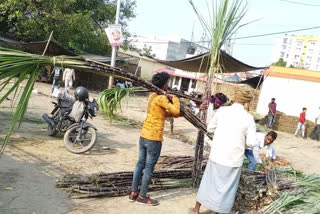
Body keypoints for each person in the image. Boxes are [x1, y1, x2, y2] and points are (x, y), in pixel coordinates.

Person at [190, 88, 257, 214]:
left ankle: (196, 209)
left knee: (208, 182)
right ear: (246, 102)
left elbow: (210, 129)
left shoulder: (222, 111)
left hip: (217, 154)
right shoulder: (249, 118)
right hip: (233, 160)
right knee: (225, 189)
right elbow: (251, 143)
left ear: (235, 98)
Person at [129, 72, 180, 206]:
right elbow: (175, 111)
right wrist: (175, 99)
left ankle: (133, 193)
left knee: (140, 164)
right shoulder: (161, 98)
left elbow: (160, 114)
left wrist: (173, 114)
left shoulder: (152, 96)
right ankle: (142, 196)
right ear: (163, 84)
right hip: (154, 137)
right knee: (149, 168)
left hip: (144, 134)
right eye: (167, 83)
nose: (168, 86)